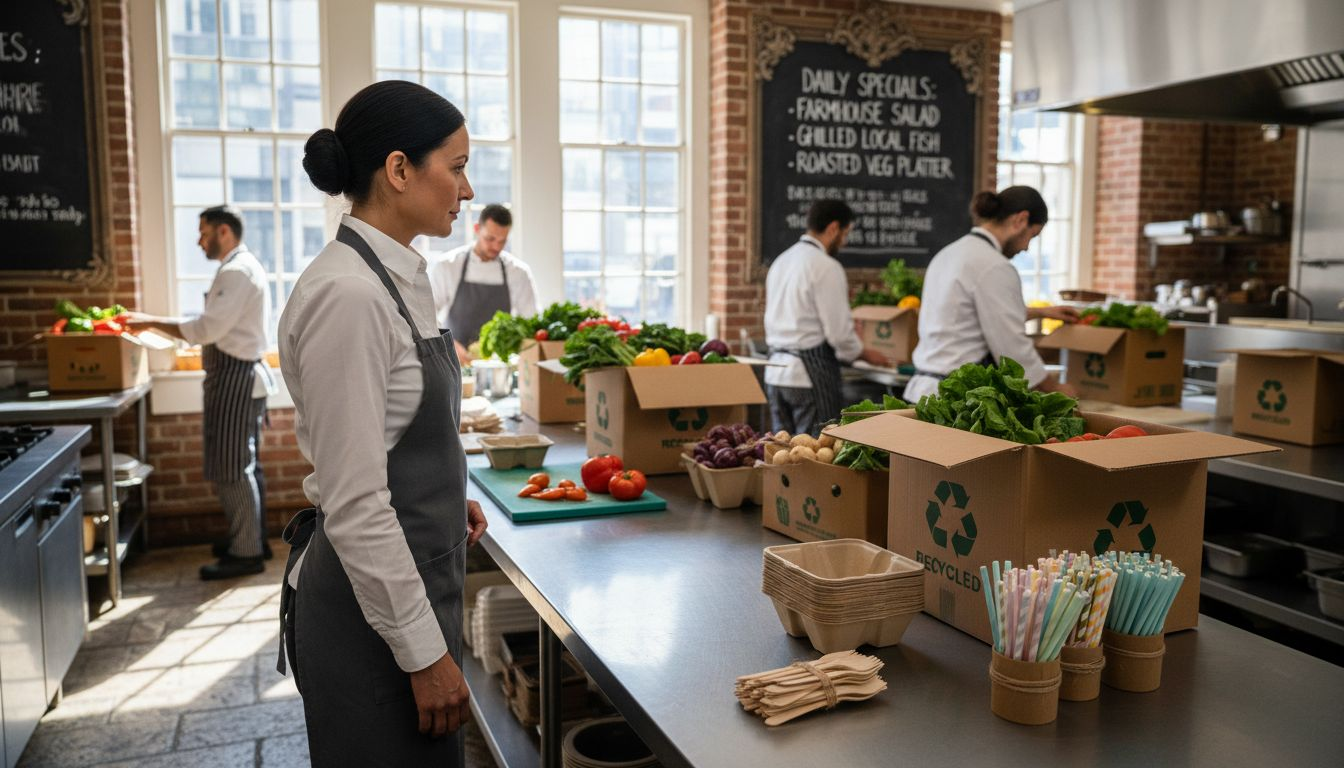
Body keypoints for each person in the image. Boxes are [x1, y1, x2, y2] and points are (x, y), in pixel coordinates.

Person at [275, 80, 487, 766]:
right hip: (372, 624)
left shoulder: (395, 278)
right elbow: (356, 503)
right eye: (456, 167)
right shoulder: (349, 295)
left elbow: (392, 434)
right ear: (399, 169)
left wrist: (447, 497)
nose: (467, 189)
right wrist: (424, 656)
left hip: (409, 583)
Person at [127, 205, 274, 580]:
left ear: (224, 232)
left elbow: (206, 330)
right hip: (238, 377)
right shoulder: (238, 267)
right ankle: (252, 539)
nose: (199, 241)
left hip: (236, 378)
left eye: (203, 232)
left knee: (232, 468)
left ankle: (246, 553)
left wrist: (149, 322)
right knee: (244, 466)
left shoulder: (237, 271)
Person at [903, 185, 1079, 403]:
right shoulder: (994, 265)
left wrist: (1043, 312)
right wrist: (1055, 389)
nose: (1026, 248)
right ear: (1021, 220)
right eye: (1032, 236)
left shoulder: (949, 254)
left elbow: (969, 317)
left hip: (923, 392)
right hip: (957, 399)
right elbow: (1013, 347)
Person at [764, 200, 888, 435]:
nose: (845, 242)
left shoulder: (781, 261)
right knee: (817, 450)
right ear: (833, 228)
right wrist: (864, 353)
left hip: (775, 375)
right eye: (845, 233)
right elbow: (839, 334)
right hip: (807, 378)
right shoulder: (826, 267)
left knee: (780, 450)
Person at [429, 203, 540, 361]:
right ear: (477, 229)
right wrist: (448, 344)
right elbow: (428, 314)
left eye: (502, 241)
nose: (496, 246)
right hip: (456, 360)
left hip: (499, 363)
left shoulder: (518, 272)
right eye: (490, 239)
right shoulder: (448, 266)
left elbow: (531, 322)